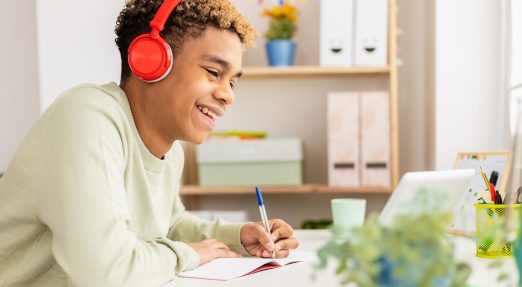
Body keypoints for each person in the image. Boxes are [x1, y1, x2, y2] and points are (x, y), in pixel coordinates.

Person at [0, 0, 299, 286]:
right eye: (213, 72)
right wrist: (192, 253)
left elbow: (167, 225)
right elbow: (106, 274)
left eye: (232, 82)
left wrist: (240, 236)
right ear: (151, 61)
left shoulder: (172, 153)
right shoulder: (86, 116)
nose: (228, 95)